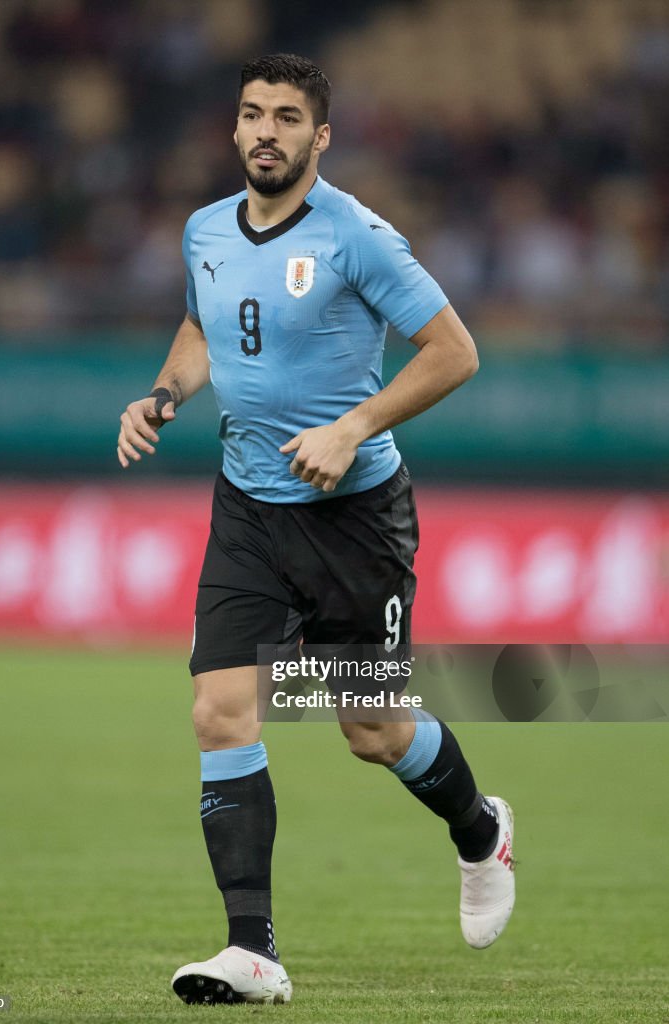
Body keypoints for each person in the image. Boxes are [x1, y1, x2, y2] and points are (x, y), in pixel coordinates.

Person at [117, 53, 515, 1006]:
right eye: (252, 114)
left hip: (352, 521)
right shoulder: (205, 229)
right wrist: (167, 392)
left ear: (319, 137)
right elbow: (203, 326)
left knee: (370, 728)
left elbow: (454, 351)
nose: (265, 131)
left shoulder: (358, 236)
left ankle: (479, 831)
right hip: (247, 506)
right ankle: (250, 951)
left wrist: (351, 426)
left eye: (286, 118)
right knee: (221, 707)